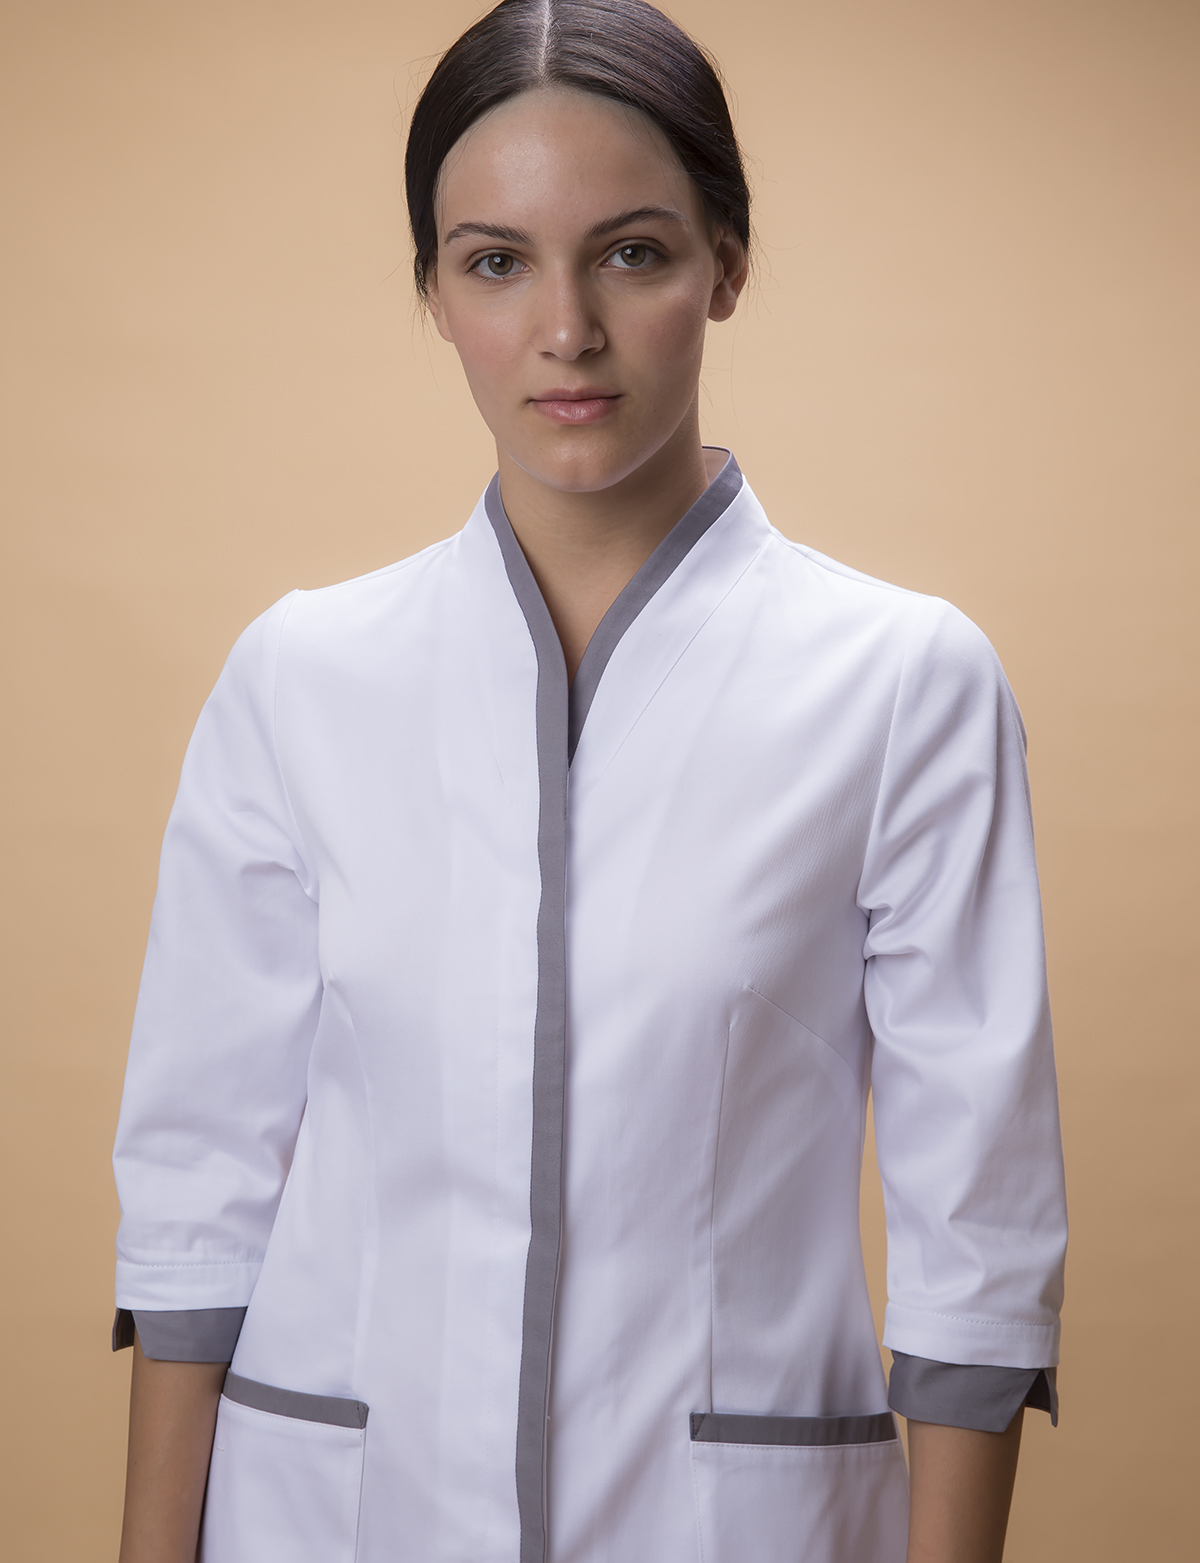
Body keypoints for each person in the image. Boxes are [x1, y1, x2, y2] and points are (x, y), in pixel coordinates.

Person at [112, 3, 1067, 1560]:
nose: (566, 328)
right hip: (332, 1518)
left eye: (631, 252)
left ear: (726, 265)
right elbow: (196, 1195)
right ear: (434, 292)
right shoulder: (299, 681)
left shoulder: (903, 687)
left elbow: (980, 1232)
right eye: (496, 261)